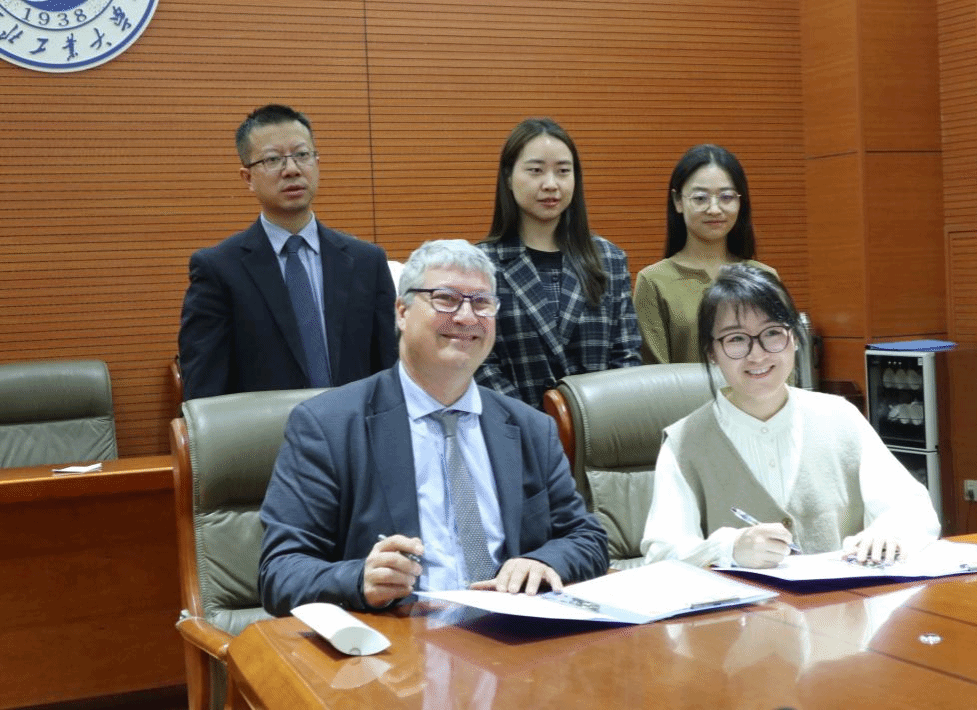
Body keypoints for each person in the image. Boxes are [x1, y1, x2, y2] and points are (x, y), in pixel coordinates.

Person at [258, 239, 608, 615]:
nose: (466, 317)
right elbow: (280, 572)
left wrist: (543, 561)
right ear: (402, 312)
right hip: (397, 637)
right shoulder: (328, 425)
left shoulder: (530, 427)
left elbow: (586, 538)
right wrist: (360, 579)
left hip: (512, 634)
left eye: (482, 302)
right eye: (445, 299)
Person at [640, 264, 940, 569]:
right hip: (739, 601)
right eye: (736, 339)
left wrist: (889, 531)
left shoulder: (840, 417)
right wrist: (729, 549)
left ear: (795, 338)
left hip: (841, 597)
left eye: (772, 333)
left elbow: (913, 508)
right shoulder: (684, 442)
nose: (757, 355)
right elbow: (662, 554)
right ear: (711, 352)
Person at [178, 104, 397, 401]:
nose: (292, 169)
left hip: (354, 425)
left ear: (317, 163)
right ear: (247, 178)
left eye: (302, 155)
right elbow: (205, 387)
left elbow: (389, 367)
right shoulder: (218, 269)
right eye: (272, 159)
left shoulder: (367, 262)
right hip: (267, 429)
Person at [476, 118, 640, 410]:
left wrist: (592, 422)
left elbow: (626, 356)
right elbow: (480, 363)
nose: (551, 184)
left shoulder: (610, 259)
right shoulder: (481, 265)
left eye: (563, 171)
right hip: (516, 427)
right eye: (536, 171)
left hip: (601, 427)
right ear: (509, 177)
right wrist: (537, 425)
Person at [633, 145, 777, 365]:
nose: (714, 209)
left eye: (726, 197)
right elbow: (653, 378)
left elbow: (781, 365)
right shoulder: (653, 282)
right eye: (700, 198)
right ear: (678, 201)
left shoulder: (765, 277)